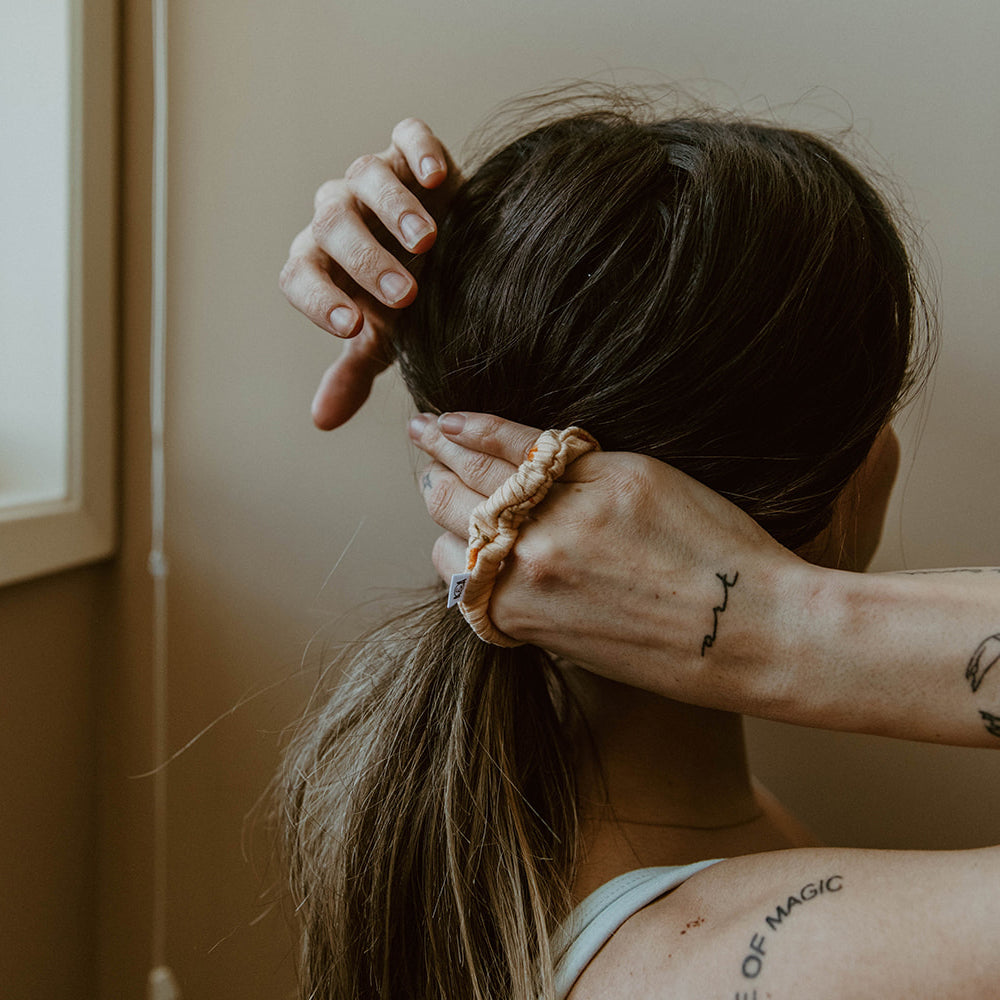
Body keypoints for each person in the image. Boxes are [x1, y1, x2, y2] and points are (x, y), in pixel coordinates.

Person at [279, 102, 1000, 1000]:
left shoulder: (496, 840)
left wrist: (487, 277)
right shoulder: (836, 960)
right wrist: (779, 618)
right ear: (806, 496)